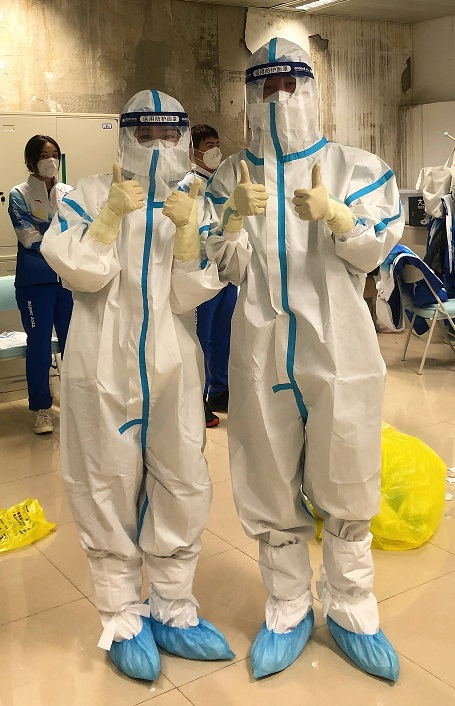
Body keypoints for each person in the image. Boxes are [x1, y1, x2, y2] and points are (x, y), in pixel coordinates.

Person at [205, 38, 404, 681]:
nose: (278, 97)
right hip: (260, 350)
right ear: (249, 94)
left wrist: (339, 217)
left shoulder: (356, 165)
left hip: (340, 347)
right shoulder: (231, 175)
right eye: (265, 86)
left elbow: (373, 252)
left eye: (290, 84)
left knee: (348, 470)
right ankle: (288, 608)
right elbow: (226, 268)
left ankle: (351, 610)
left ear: (312, 90)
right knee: (266, 473)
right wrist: (229, 219)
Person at [41, 90, 233, 682]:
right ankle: (122, 616)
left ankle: (173, 606)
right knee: (104, 482)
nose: (155, 148)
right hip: (102, 364)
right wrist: (107, 219)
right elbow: (78, 271)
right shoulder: (85, 194)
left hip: (173, 365)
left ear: (182, 140)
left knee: (182, 478)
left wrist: (187, 234)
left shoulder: (194, 200)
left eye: (167, 137)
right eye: (143, 136)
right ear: (124, 136)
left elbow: (191, 293)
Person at [8, 135, 73, 433]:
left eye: (55, 154)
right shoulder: (18, 194)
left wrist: (45, 227)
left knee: (75, 343)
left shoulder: (68, 192)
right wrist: (57, 230)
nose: (51, 160)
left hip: (68, 279)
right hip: (35, 282)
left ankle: (77, 403)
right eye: (45, 155)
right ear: (30, 161)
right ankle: (41, 408)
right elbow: (28, 237)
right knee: (39, 345)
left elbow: (78, 231)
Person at [179, 125, 237, 427]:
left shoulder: (224, 181)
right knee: (200, 338)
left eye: (217, 143)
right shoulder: (187, 185)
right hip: (201, 272)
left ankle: (219, 389)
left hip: (225, 270)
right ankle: (197, 399)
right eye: (208, 145)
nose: (215, 150)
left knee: (223, 334)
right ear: (193, 152)